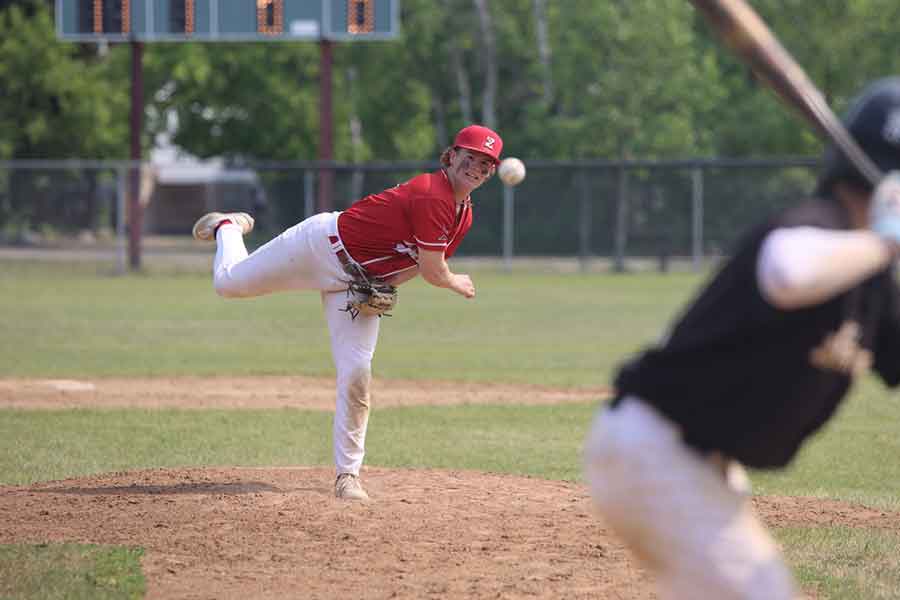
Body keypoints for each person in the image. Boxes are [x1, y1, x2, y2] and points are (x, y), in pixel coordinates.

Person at [583, 77, 900, 599]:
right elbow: (786, 272)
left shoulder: (873, 285)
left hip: (697, 469)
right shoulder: (817, 226)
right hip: (656, 452)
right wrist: (885, 242)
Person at [192, 125, 503, 501]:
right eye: (469, 157)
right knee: (228, 285)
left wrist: (383, 286)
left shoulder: (463, 215)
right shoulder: (432, 194)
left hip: (357, 284)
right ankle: (229, 227)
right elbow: (435, 272)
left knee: (357, 374)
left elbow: (414, 263)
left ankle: (348, 476)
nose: (476, 167)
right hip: (320, 247)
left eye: (486, 164)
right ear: (451, 155)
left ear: (490, 173)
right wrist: (455, 282)